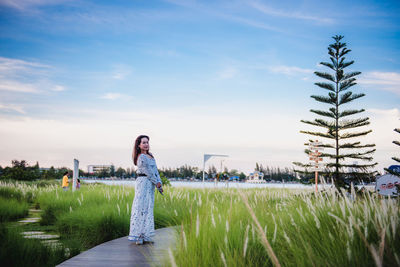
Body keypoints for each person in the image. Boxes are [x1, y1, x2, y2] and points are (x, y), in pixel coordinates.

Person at [128, 135, 163, 245]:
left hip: (150, 184)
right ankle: (138, 235)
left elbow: (155, 170)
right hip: (143, 182)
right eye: (143, 142)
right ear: (139, 145)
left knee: (148, 207)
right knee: (140, 207)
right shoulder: (141, 157)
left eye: (147, 142)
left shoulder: (151, 156)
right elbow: (148, 171)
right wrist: (156, 182)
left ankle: (146, 234)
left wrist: (159, 183)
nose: (146, 144)